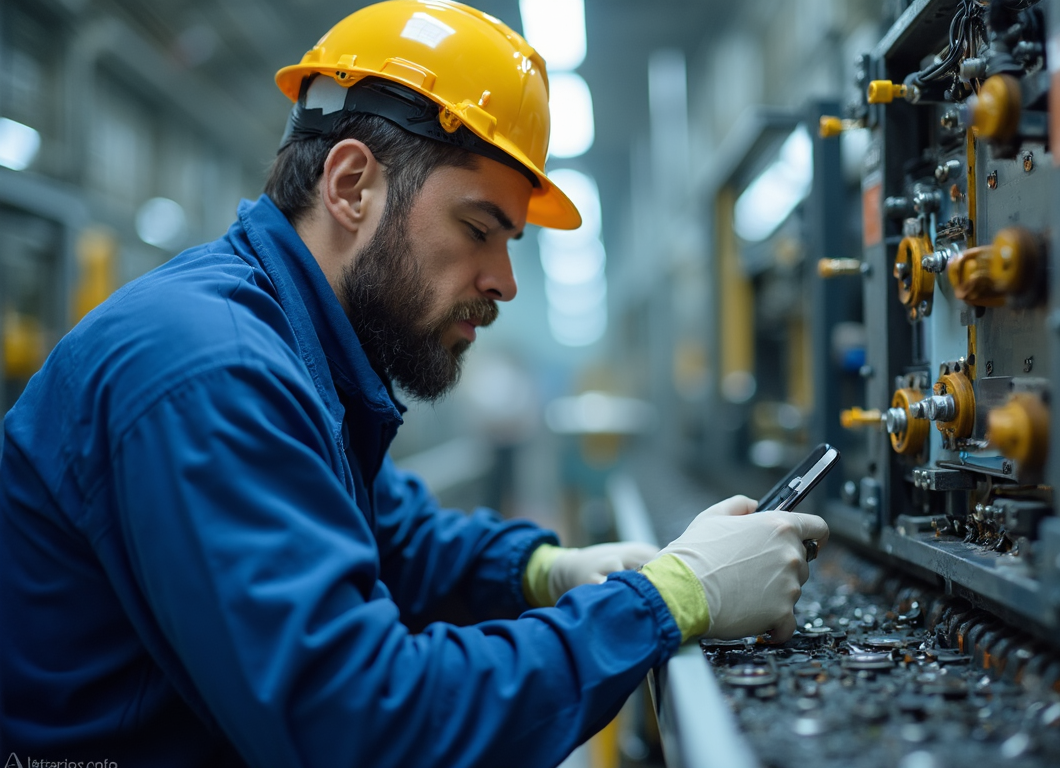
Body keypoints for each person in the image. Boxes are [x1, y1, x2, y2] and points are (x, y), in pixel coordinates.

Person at [0, 2, 828, 766]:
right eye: (479, 228)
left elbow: (396, 538)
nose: (504, 281)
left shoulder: (297, 350)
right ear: (352, 185)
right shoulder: (211, 369)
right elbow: (361, 725)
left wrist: (549, 570)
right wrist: (666, 600)